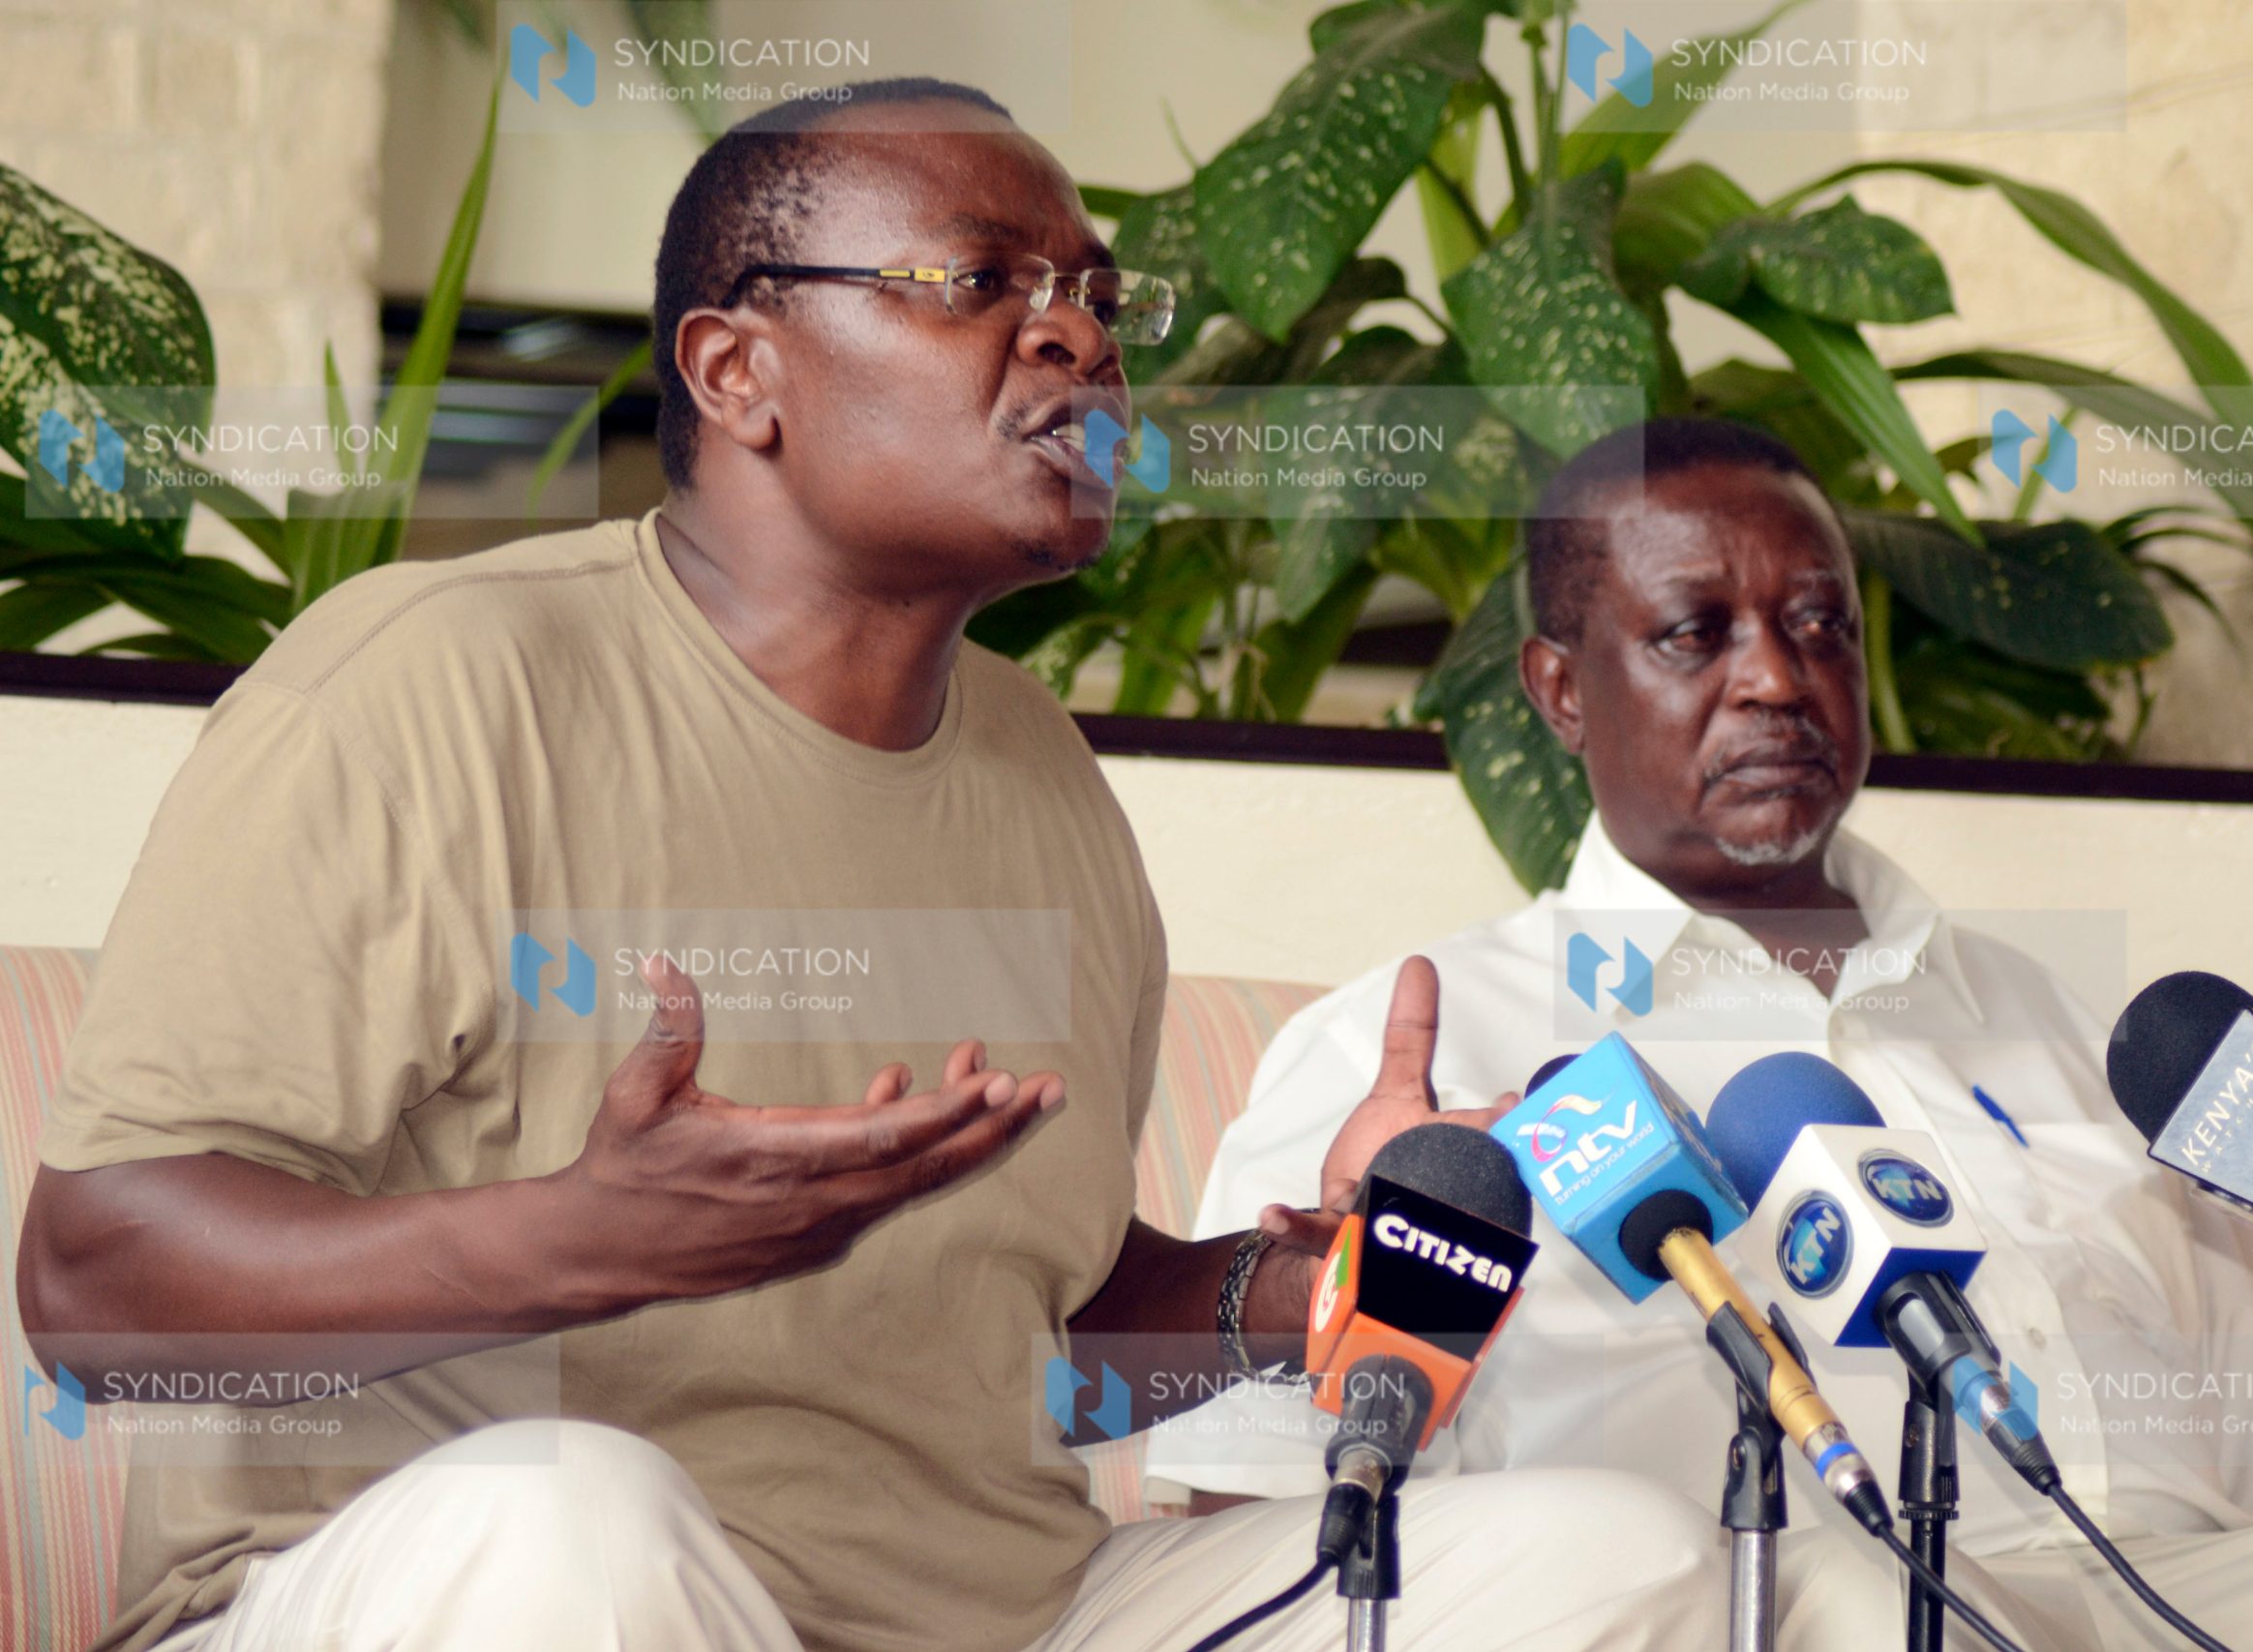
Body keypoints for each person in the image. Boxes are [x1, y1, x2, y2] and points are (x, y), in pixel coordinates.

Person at [13, 83, 1729, 1652]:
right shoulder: (431, 687)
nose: (1079, 337)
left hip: (992, 1615)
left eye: (1099, 301)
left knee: (1610, 1549)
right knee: (569, 1524)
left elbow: (1038, 1342)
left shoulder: (1045, 779)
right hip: (453, 1592)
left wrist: (1310, 1283)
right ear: (735, 369)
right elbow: (95, 1294)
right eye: (980, 280)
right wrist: (584, 1241)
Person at [1147, 417, 2253, 1648]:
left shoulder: (2076, 1024)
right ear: (1559, 690)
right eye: (1695, 633)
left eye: (1818, 624)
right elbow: (1265, 1547)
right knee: (1839, 1584)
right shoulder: (1419, 1047)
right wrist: (1356, 1287)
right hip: (1803, 1597)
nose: (1777, 679)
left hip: (2193, 1589)